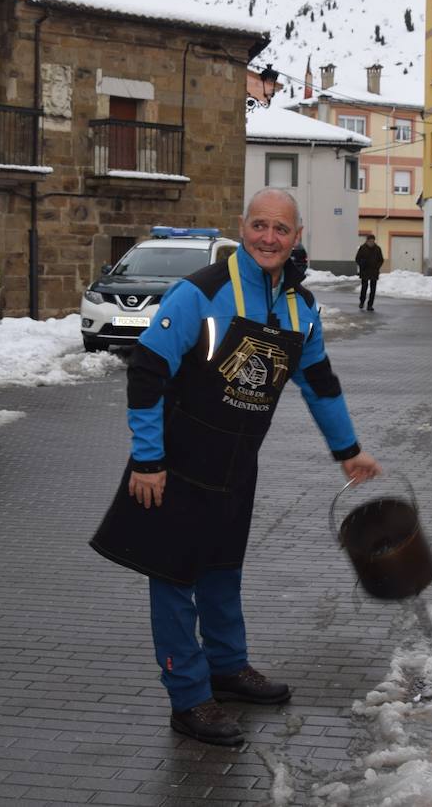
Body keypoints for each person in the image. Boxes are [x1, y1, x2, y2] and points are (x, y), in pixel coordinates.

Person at [90, 188, 381, 748]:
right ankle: (189, 697)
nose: (269, 238)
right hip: (174, 462)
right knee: (174, 581)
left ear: (297, 238)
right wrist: (148, 459)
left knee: (223, 571)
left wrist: (348, 449)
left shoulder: (301, 307)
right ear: (242, 227)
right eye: (259, 226)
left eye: (281, 229)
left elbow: (318, 383)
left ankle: (227, 669)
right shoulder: (201, 292)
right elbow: (147, 370)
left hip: (236, 465)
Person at [355, 234, 384, 310]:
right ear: (367, 241)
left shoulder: (377, 249)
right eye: (370, 241)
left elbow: (381, 260)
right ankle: (362, 302)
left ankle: (370, 305)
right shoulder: (362, 248)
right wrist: (362, 264)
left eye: (373, 241)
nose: (371, 242)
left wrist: (377, 266)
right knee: (364, 288)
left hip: (374, 272)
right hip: (365, 271)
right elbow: (357, 259)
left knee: (373, 290)